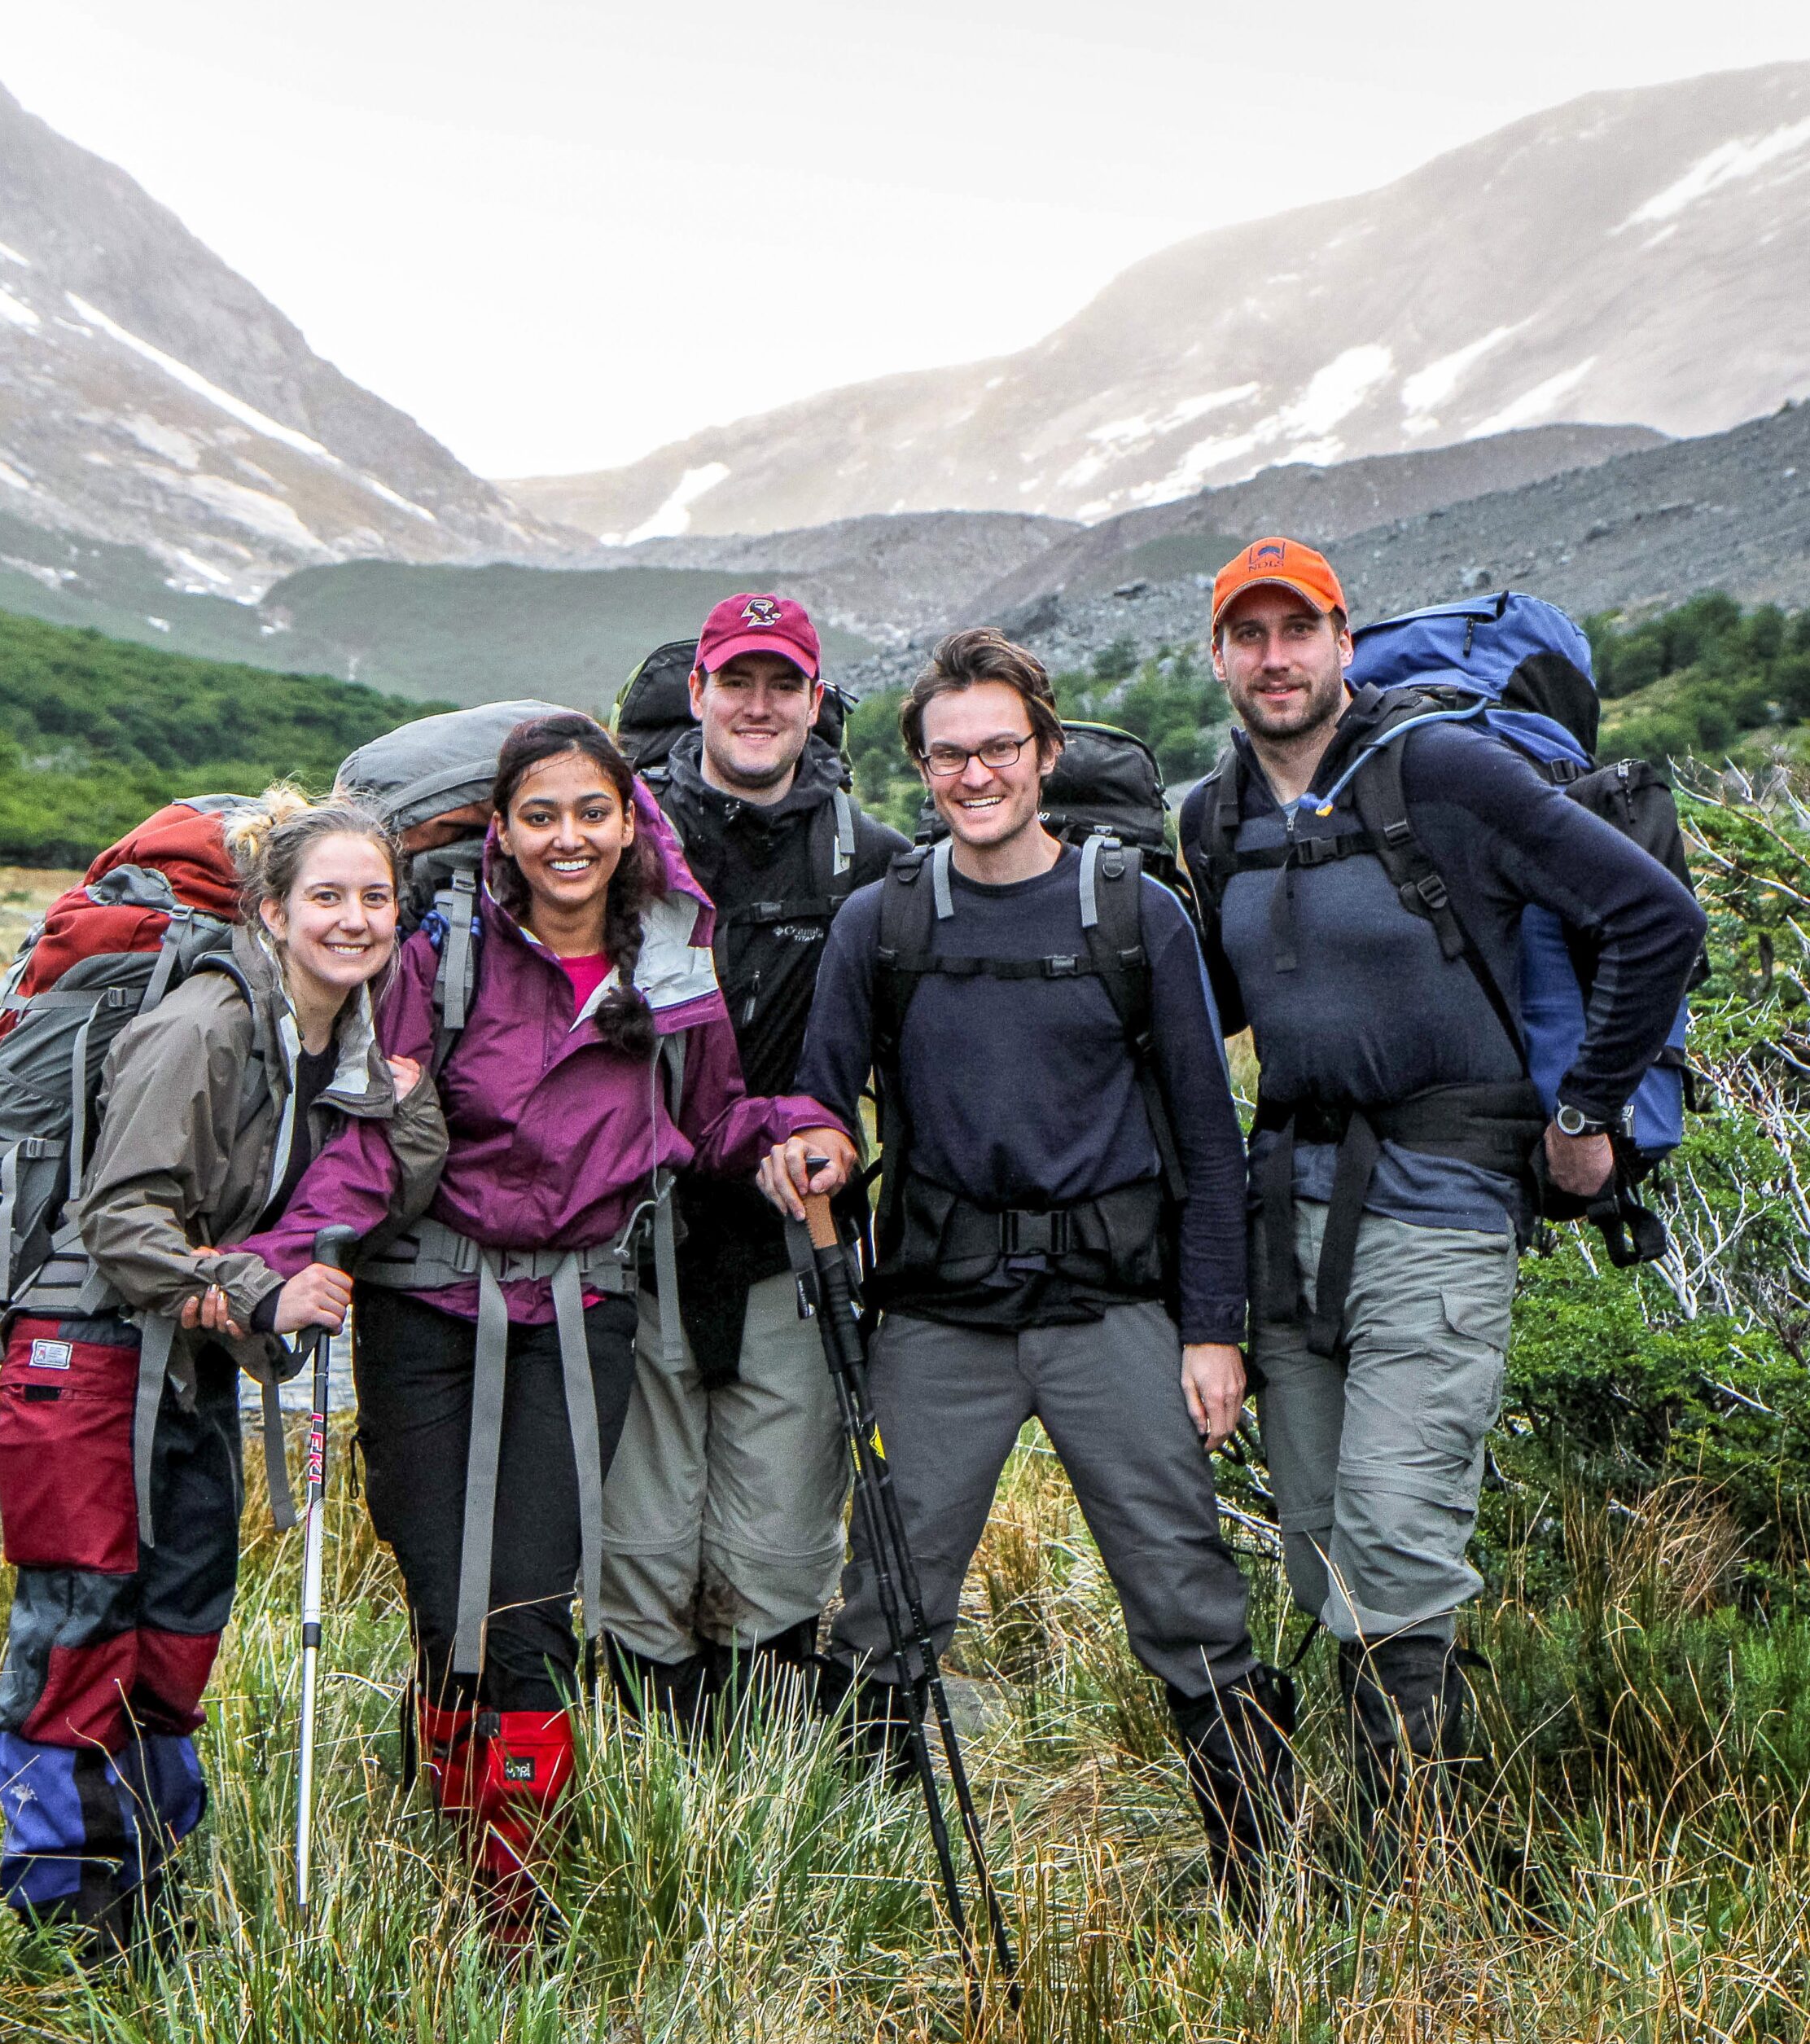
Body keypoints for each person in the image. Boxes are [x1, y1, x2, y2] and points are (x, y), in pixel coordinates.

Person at [243, 711, 855, 1940]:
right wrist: (283, 1265)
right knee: (445, 1602)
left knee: (524, 1606)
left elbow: (717, 1116)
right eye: (540, 816)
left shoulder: (672, 959)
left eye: (591, 812)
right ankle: (462, 1831)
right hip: (424, 1311)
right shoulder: (447, 956)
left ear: (630, 822)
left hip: (581, 1312)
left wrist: (795, 1132)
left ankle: (511, 1911)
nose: (567, 838)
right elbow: (379, 1138)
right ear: (507, 835)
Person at [1179, 538, 1707, 1866]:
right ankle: (1395, 1837)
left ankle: (1426, 1867)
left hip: (1444, 1202)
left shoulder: (1450, 776)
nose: (1275, 657)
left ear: (1345, 643)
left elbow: (1655, 921)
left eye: (1299, 629)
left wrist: (1586, 1112)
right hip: (1281, 1214)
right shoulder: (1217, 816)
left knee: (1397, 1537)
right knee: (1319, 1547)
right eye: (1249, 635)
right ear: (1221, 658)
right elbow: (1204, 1023)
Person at [770, 627, 1297, 1918]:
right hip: (939, 1318)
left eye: (999, 748)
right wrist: (816, 1150)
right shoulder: (879, 924)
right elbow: (816, 1097)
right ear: (921, 770)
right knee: (889, 1606)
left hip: (1115, 1308)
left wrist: (1213, 1328)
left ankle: (1270, 1879)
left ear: (1044, 753)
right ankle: (871, 1884)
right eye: (948, 756)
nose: (974, 773)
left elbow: (1208, 1136)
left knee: (1184, 1590)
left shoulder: (1139, 915)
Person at [0, 789, 447, 1959]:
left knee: (179, 1626)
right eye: (327, 897)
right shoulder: (204, 1026)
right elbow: (119, 1221)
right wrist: (261, 1293)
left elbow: (403, 1172)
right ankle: (70, 1925)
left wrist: (401, 1092)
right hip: (83, 1358)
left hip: (183, 1361)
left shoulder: (335, 1033)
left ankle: (152, 1891)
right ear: (273, 908)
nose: (354, 919)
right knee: (84, 1624)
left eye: (375, 897)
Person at [601, 592, 908, 1728]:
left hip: (796, 1249)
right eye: (739, 681)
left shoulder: (876, 865)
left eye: (785, 685)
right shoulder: (621, 847)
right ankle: (657, 1787)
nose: (760, 705)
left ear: (817, 702)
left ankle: (750, 1792)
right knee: (639, 1540)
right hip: (640, 1244)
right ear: (698, 693)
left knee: (778, 1542)